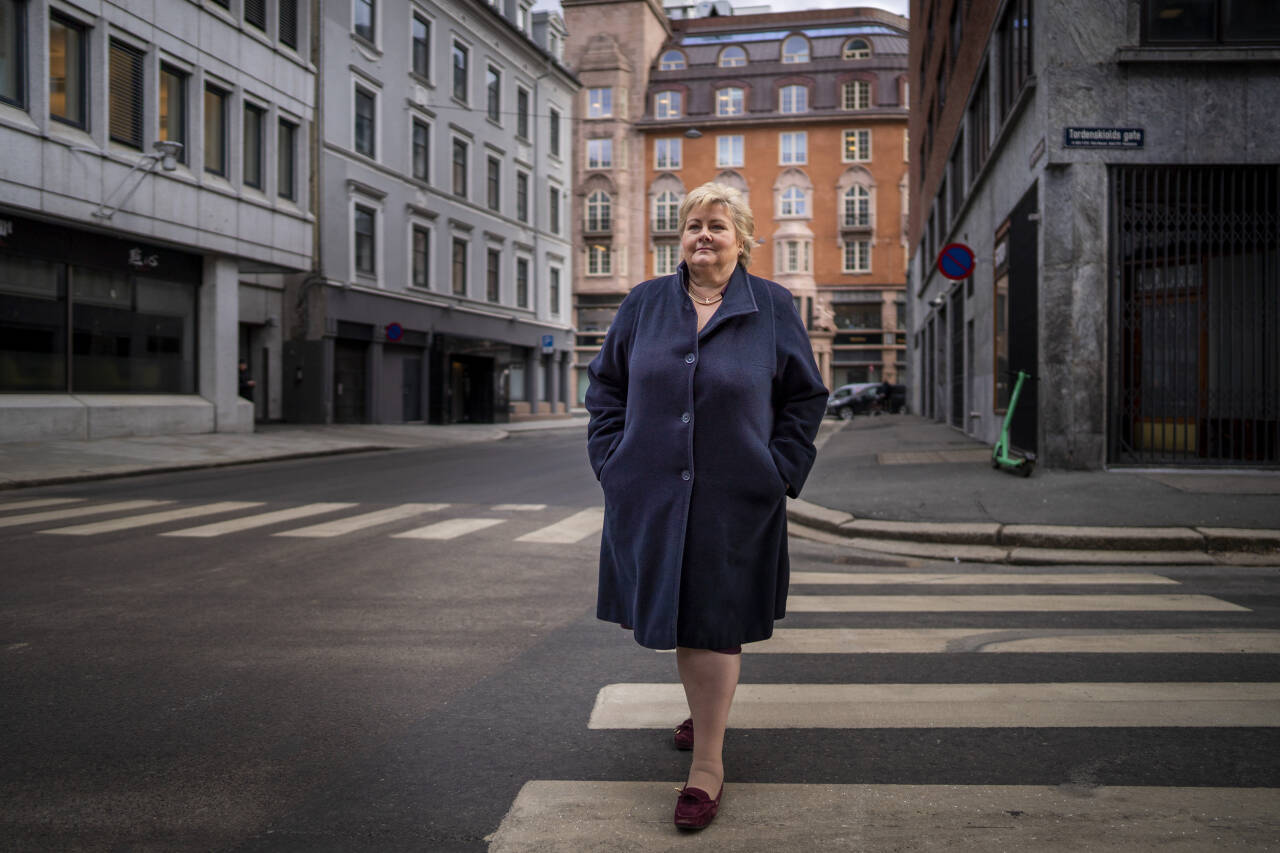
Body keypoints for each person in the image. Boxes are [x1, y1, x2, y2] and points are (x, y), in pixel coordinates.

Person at [585, 182, 828, 831]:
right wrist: (610, 460)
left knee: (711, 621)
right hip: (653, 492)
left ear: (742, 238)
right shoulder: (643, 304)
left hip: (735, 495)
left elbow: (805, 397)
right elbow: (605, 385)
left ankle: (708, 765)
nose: (702, 236)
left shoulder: (772, 306)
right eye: (693, 224)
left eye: (717, 225)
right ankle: (705, 710)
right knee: (680, 612)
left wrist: (779, 469)